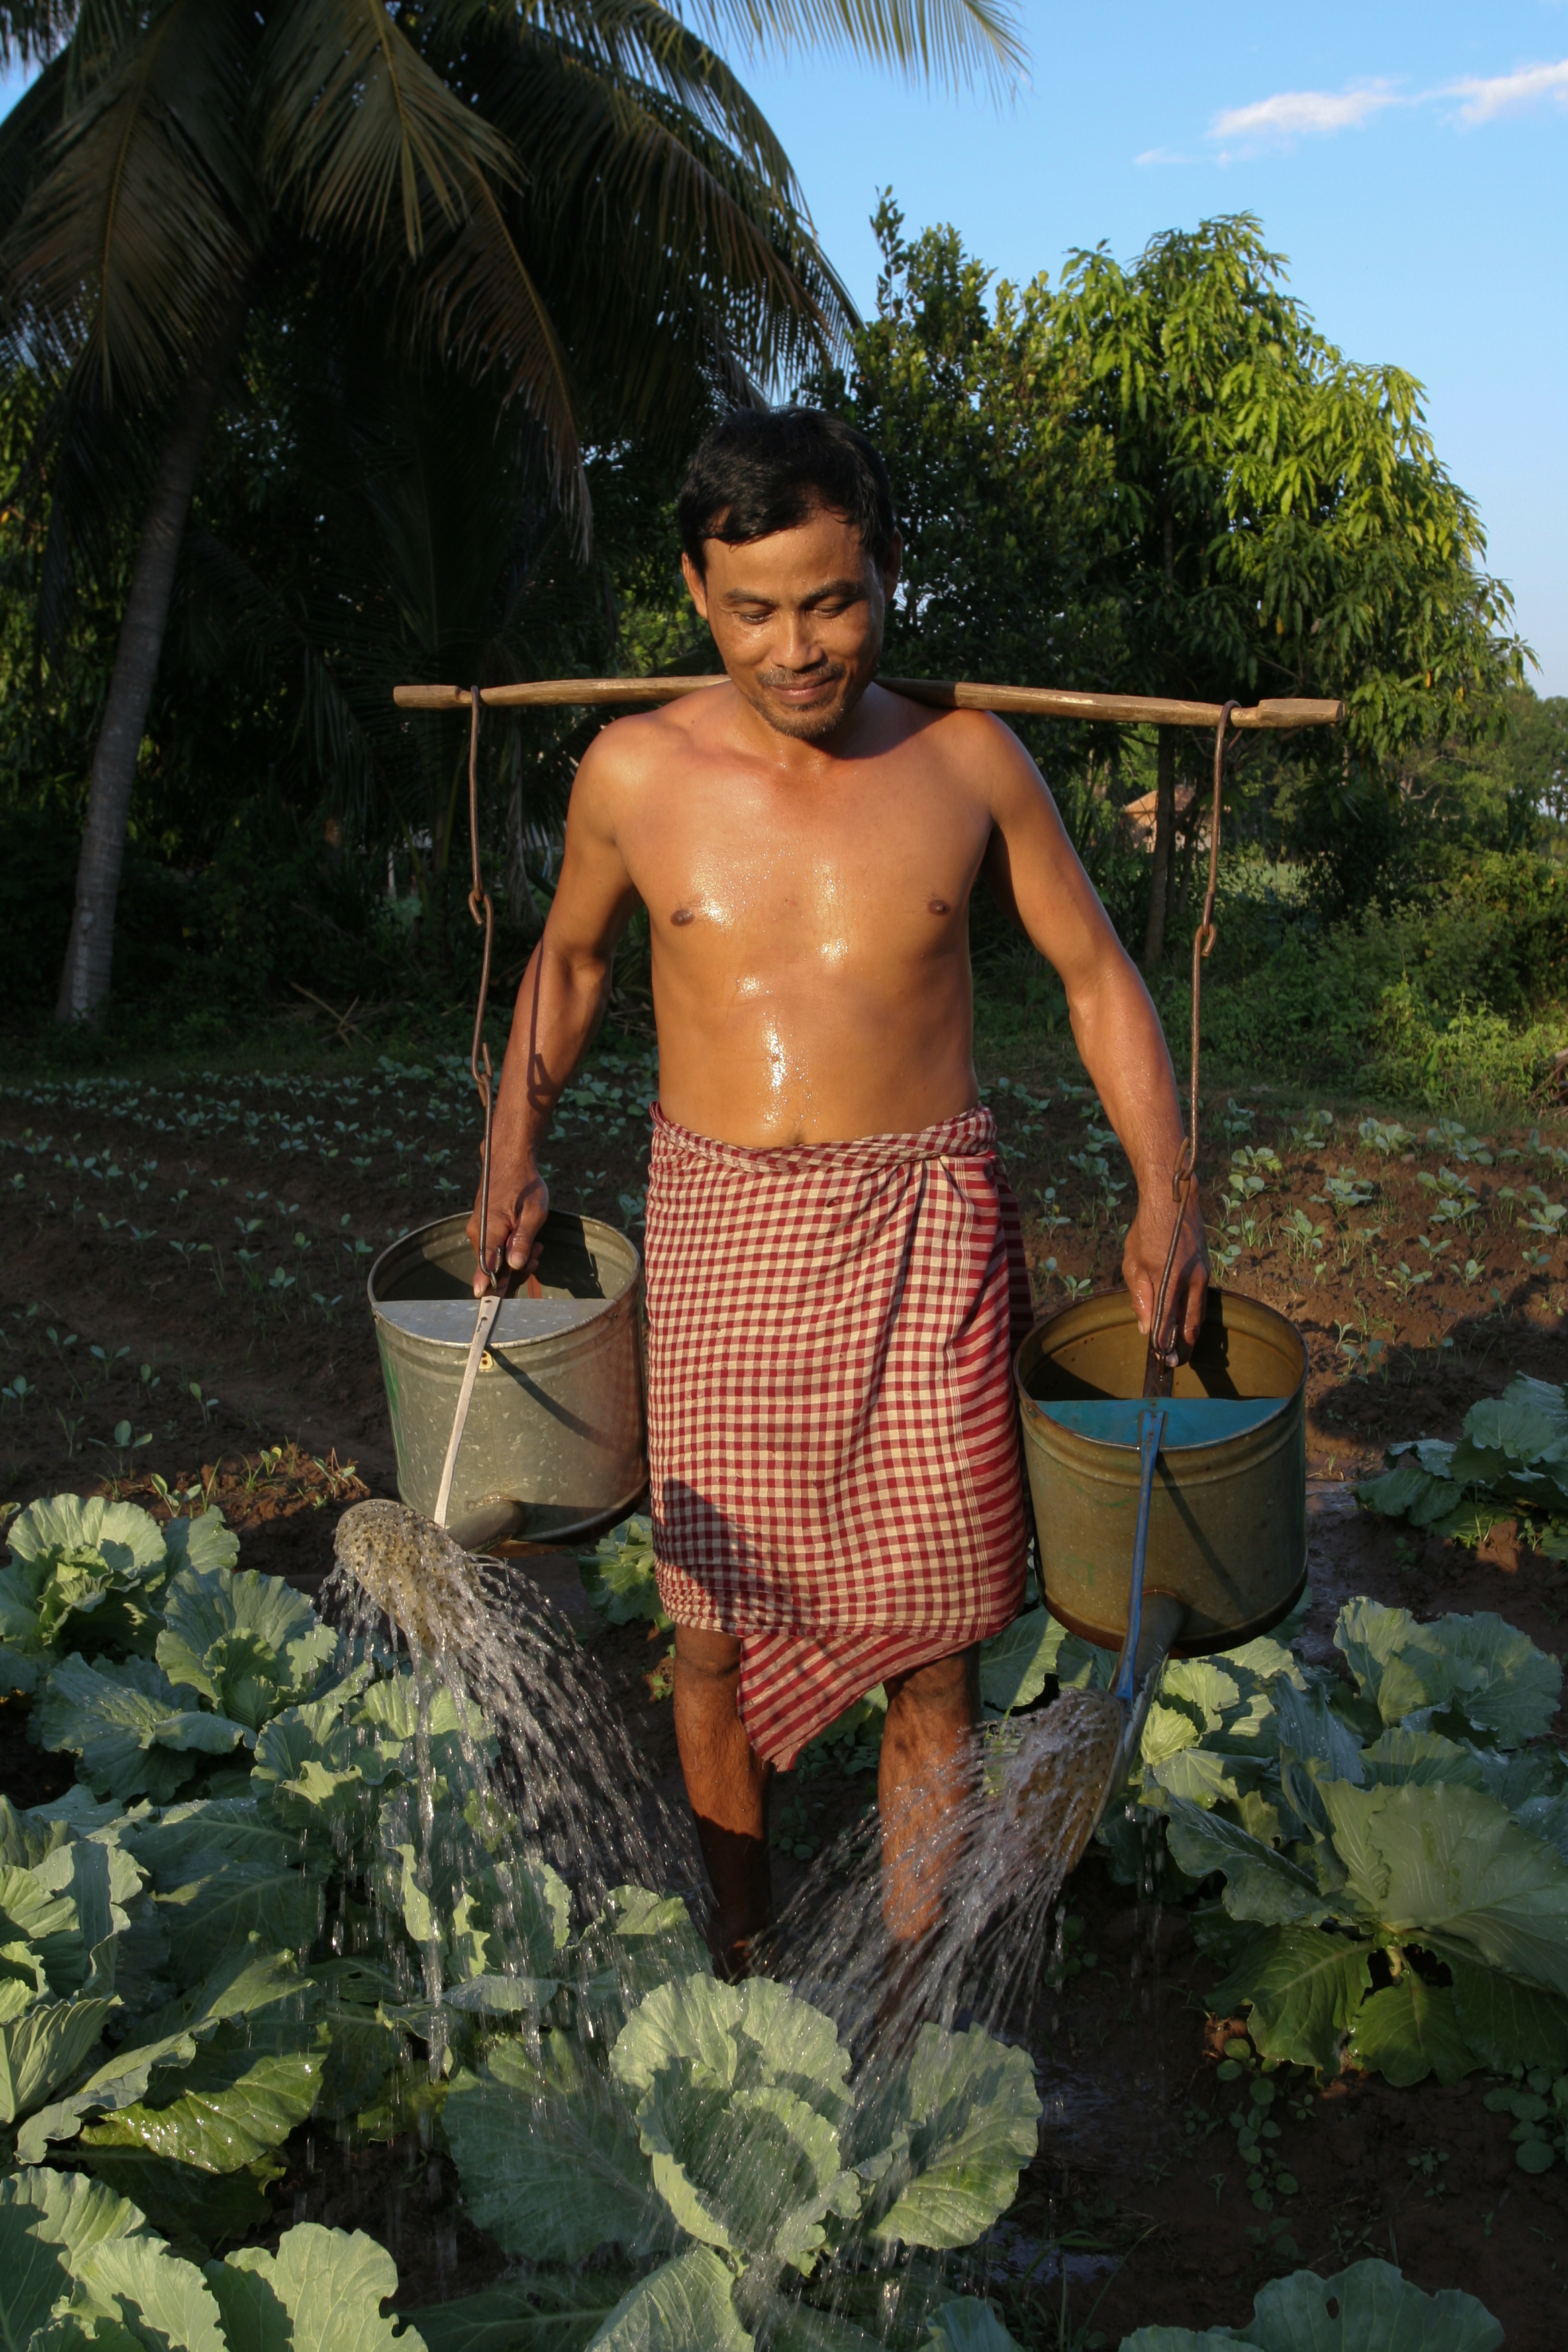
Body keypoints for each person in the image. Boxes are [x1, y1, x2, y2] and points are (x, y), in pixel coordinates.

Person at [467, 407, 1208, 1975]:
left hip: (927, 1239)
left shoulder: (967, 762)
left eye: (833, 602)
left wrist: (1166, 1188)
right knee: (709, 1636)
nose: (797, 648)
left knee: (937, 1647)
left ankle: (913, 1970)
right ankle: (739, 1945)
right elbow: (572, 966)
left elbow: (1095, 977)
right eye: (754, 611)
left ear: (884, 574)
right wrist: (509, 1147)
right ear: (696, 590)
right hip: (720, 1236)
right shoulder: (634, 771)